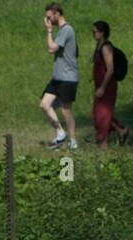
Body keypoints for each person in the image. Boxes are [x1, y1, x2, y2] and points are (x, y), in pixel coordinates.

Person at [41, 2, 79, 149]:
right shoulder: (61, 30)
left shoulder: (66, 29)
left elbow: (51, 49)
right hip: (57, 77)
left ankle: (73, 141)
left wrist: (49, 31)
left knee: (65, 109)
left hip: (68, 77)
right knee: (44, 104)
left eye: (49, 17)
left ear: (57, 13)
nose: (48, 20)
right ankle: (60, 133)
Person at [91, 20, 130, 146]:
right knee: (97, 115)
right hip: (100, 86)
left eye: (95, 32)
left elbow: (110, 69)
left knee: (103, 115)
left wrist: (102, 87)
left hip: (107, 87)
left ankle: (104, 145)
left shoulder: (106, 48)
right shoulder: (98, 47)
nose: (93, 34)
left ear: (102, 33)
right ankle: (121, 130)